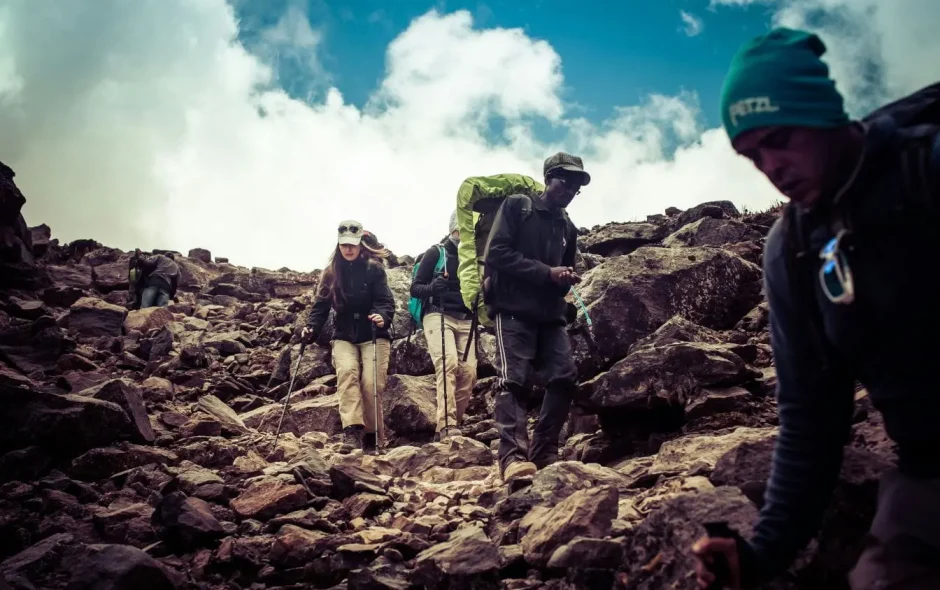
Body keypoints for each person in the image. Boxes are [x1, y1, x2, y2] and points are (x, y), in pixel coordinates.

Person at [691, 28, 940, 589]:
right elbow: (811, 419)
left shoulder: (924, 170)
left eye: (780, 139)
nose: (770, 167)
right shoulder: (793, 251)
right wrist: (759, 555)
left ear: (823, 114)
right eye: (751, 154)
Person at [483, 152, 588, 483]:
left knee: (564, 377)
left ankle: (544, 452)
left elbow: (563, 271)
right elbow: (496, 253)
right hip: (512, 309)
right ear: (548, 178)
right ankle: (512, 458)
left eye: (576, 185)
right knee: (513, 380)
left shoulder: (567, 226)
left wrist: (565, 278)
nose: (570, 189)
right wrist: (547, 273)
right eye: (565, 181)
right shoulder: (518, 206)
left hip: (549, 314)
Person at [302, 220, 395, 454]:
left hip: (374, 332)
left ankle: (373, 436)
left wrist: (382, 316)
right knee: (347, 373)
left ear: (360, 244)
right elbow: (320, 306)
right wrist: (311, 328)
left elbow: (385, 301)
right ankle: (352, 431)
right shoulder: (331, 273)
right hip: (344, 333)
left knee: (371, 382)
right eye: (344, 245)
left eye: (352, 244)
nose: (349, 249)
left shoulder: (374, 269)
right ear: (339, 245)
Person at [410, 211, 478, 441]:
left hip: (467, 318)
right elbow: (415, 288)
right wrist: (432, 288)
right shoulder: (435, 253)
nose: (465, 234)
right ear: (453, 229)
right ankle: (446, 425)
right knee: (448, 364)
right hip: (437, 315)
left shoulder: (475, 257)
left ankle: (454, 423)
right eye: (461, 230)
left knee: (469, 372)